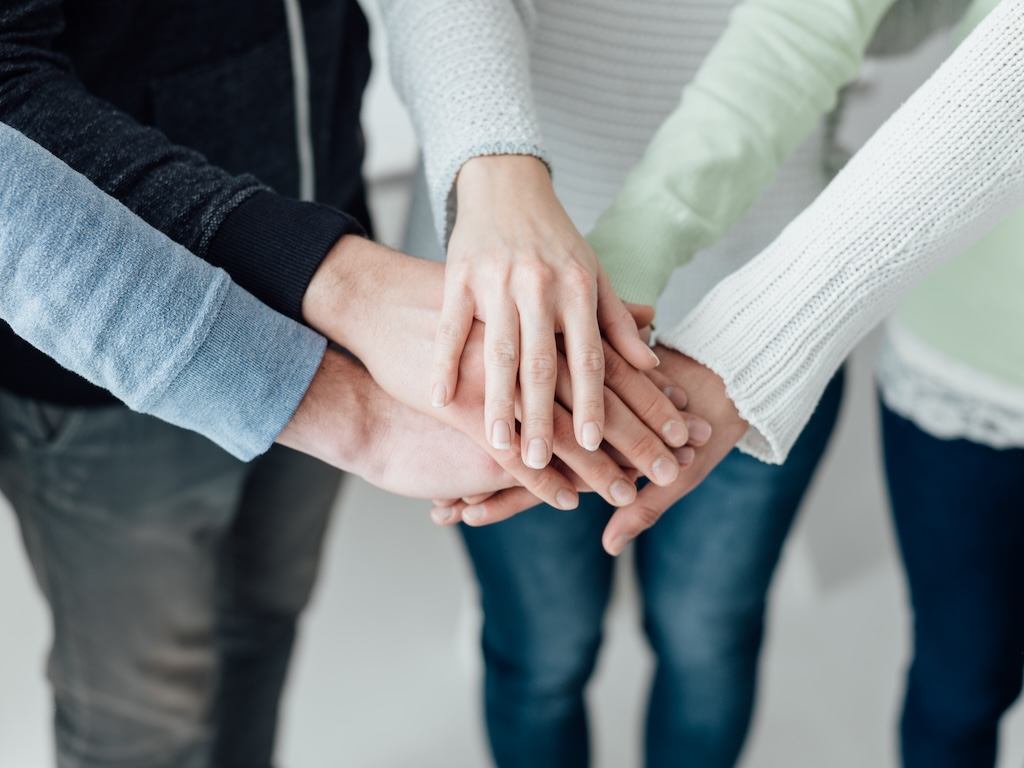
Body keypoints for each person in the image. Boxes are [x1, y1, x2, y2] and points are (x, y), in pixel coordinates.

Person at [390, 0, 922, 765]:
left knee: (707, 641)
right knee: (541, 651)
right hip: (508, 320)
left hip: (760, 311)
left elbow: (892, 23)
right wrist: (495, 162)